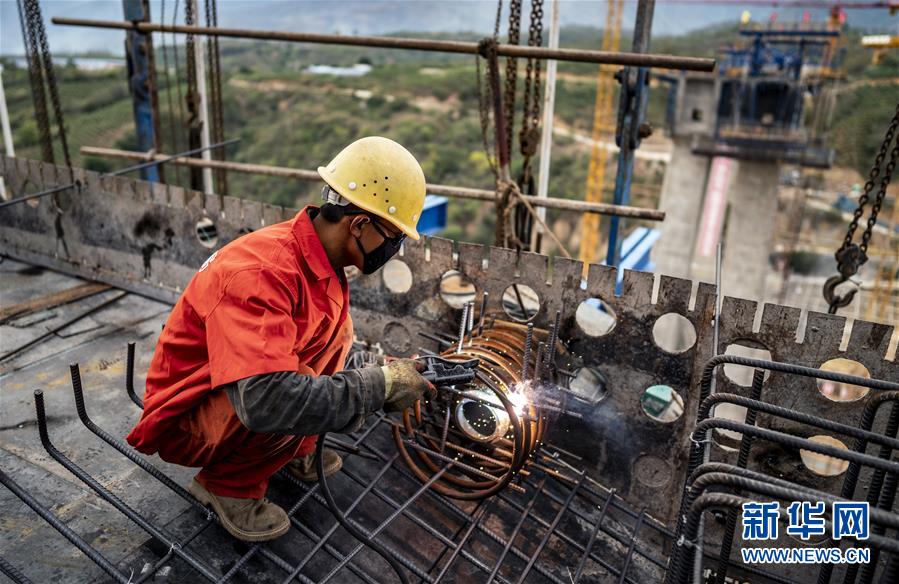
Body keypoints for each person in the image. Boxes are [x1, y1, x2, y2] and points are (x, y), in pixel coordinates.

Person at [126, 136, 435, 542]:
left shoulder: (318, 258)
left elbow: (317, 351)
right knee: (284, 395)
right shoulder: (261, 273)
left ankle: (294, 448)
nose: (394, 249)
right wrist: (378, 386)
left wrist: (379, 374)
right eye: (393, 237)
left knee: (334, 332)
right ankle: (227, 486)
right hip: (190, 417)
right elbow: (268, 399)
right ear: (359, 224)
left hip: (237, 393)